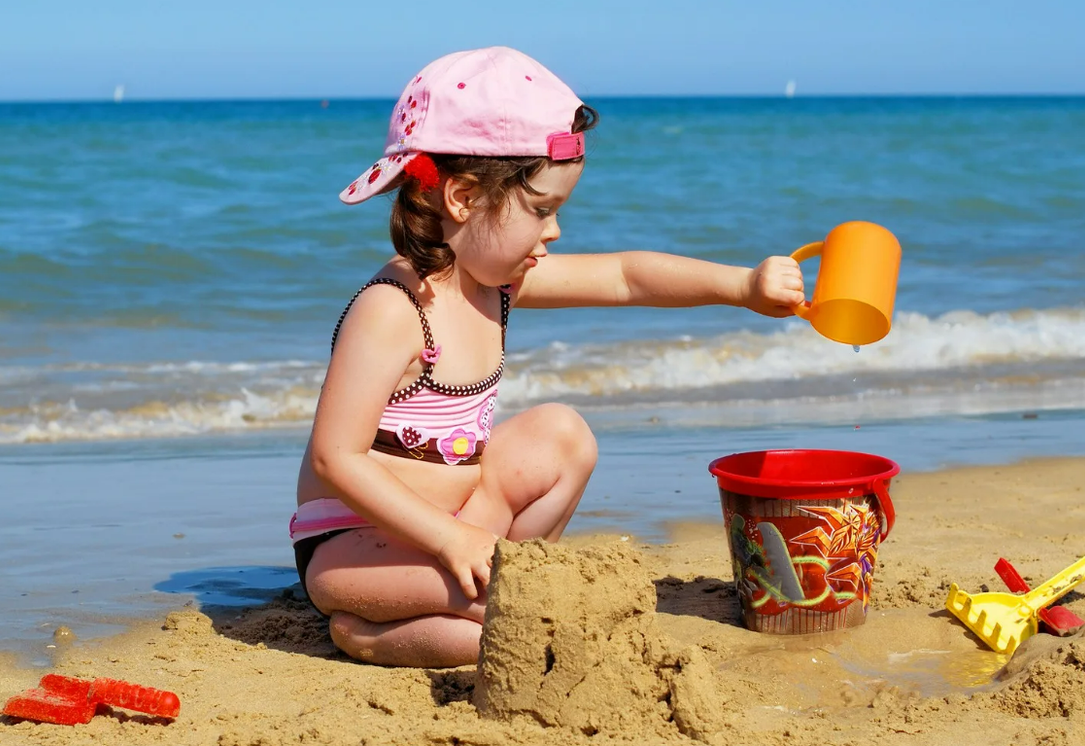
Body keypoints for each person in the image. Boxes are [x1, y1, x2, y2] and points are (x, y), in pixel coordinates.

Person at [291, 46, 806, 668]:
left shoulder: (497, 284)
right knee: (508, 627)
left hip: (460, 514)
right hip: (359, 544)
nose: (554, 232)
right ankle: (368, 631)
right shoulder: (395, 308)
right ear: (461, 197)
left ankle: (500, 577)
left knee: (562, 437)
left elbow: (626, 278)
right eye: (541, 210)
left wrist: (743, 287)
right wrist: (450, 538)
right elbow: (334, 456)